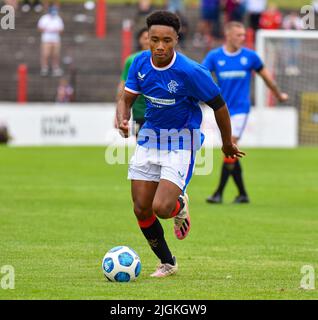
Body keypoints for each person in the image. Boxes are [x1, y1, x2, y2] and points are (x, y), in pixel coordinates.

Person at [116, 11, 244, 278]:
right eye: (154, 40)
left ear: (176, 39)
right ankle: (167, 262)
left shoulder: (190, 72)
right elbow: (126, 97)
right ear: (147, 39)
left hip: (181, 141)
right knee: (140, 207)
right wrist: (122, 117)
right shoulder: (140, 63)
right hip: (149, 138)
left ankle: (178, 206)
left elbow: (219, 107)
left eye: (166, 40)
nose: (160, 46)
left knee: (161, 208)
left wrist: (227, 143)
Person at [202, 21, 288, 204]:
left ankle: (218, 193)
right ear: (228, 35)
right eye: (239, 35)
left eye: (243, 35)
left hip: (241, 109)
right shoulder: (214, 56)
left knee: (230, 145)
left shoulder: (250, 57)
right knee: (231, 152)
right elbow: (200, 76)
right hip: (222, 110)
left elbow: (266, 77)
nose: (242, 38)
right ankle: (242, 194)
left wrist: (278, 94)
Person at [116, 28, 149, 136]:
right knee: (140, 144)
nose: (148, 41)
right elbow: (123, 85)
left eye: (150, 38)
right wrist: (118, 115)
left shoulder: (162, 58)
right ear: (140, 40)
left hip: (159, 110)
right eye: (145, 38)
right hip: (139, 110)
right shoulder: (132, 60)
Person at [37, 4, 64, 77]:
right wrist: (47, 29)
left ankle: (55, 67)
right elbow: (39, 28)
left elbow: (61, 30)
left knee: (55, 55)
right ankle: (44, 68)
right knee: (45, 54)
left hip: (56, 40)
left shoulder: (58, 19)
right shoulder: (44, 18)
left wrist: (55, 30)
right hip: (46, 40)